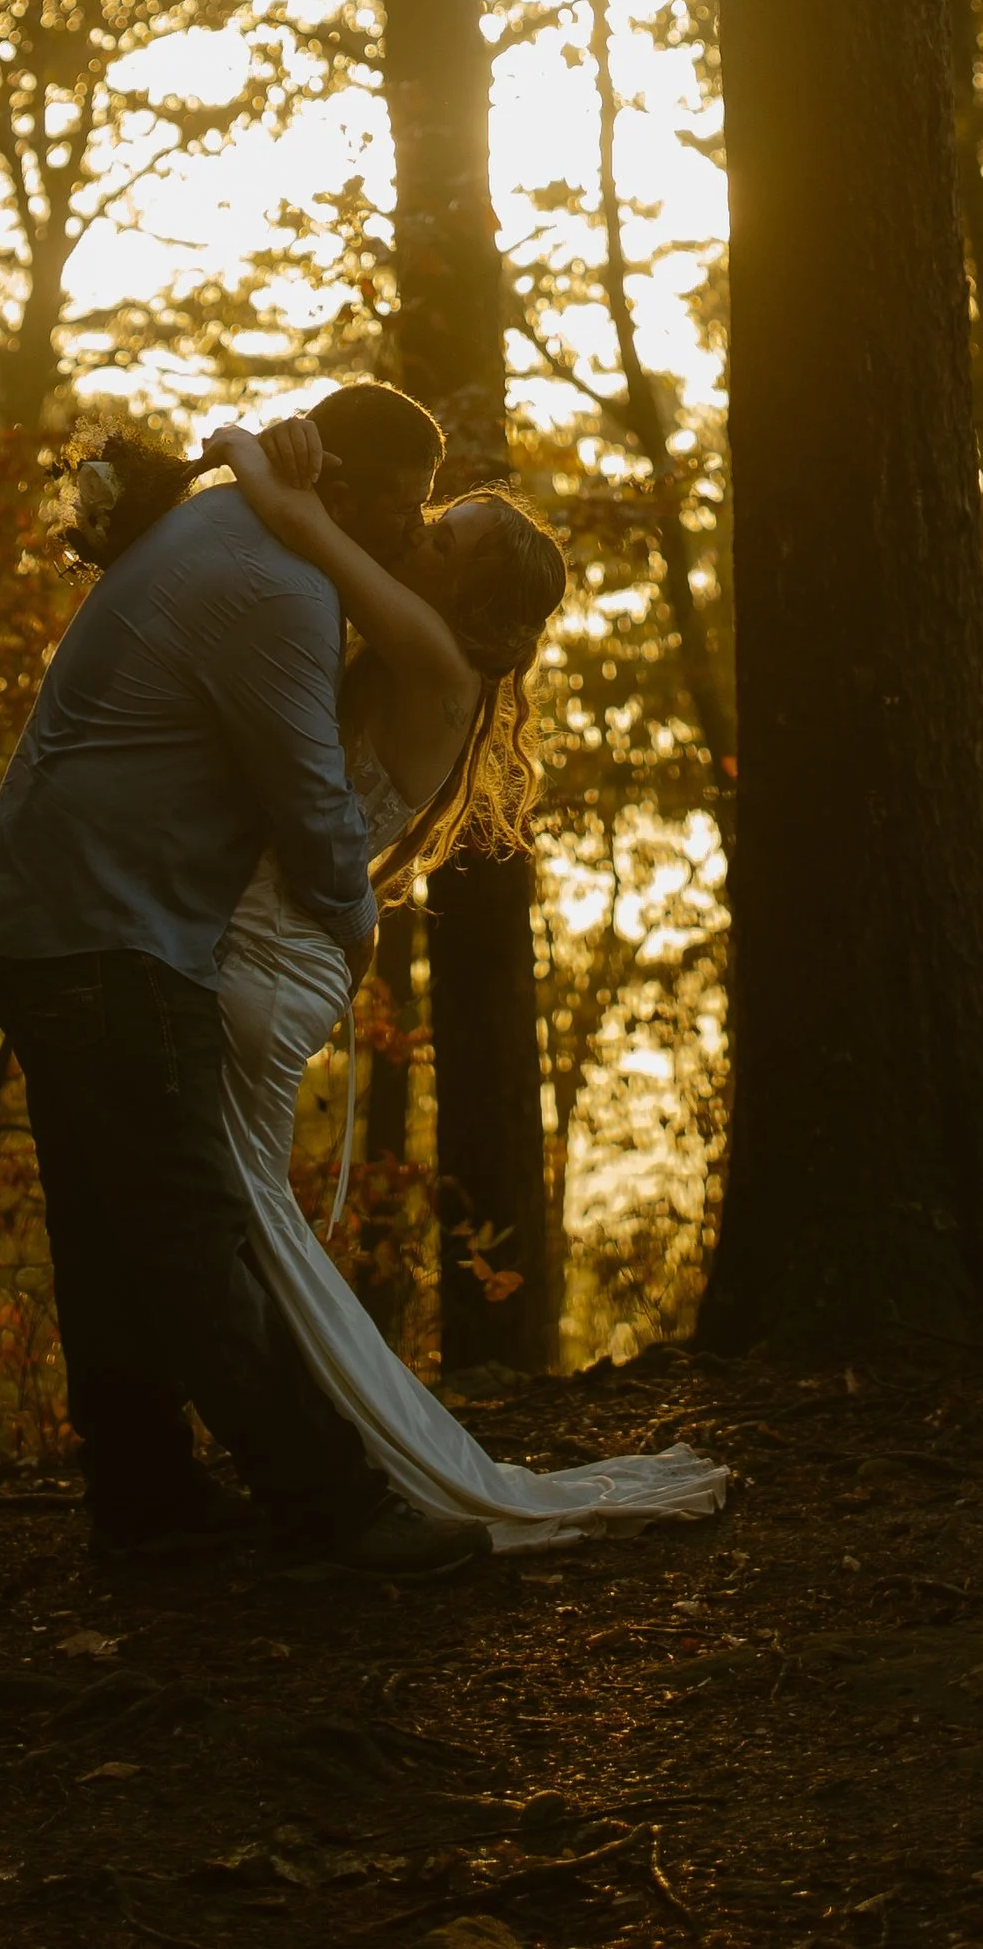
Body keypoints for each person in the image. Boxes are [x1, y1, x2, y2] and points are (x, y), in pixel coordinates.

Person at [0, 379, 489, 1574]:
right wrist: (352, 928)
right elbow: (311, 808)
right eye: (402, 510)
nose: (407, 534)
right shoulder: (282, 588)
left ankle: (143, 1506)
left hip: (43, 912)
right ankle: (333, 1510)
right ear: (337, 487)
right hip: (107, 933)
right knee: (193, 1228)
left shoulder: (230, 525)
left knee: (107, 1223)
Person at [204, 418, 727, 1548]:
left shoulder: (430, 659)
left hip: (259, 970)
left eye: (442, 539)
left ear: (471, 601)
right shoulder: (407, 655)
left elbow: (297, 523)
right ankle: (325, 1463)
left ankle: (344, 1474)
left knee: (235, 1226)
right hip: (267, 961)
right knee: (238, 1222)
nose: (416, 537)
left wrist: (252, 447)